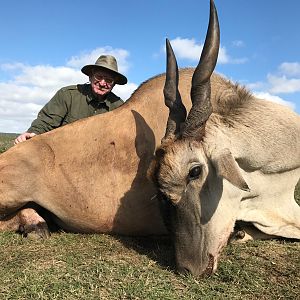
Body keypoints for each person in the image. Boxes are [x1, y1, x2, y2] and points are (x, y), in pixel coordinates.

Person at [14, 55, 127, 144]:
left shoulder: (120, 107)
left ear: (114, 84)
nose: (102, 83)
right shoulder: (67, 95)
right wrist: (32, 133)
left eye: (108, 80)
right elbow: (46, 122)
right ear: (90, 76)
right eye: (99, 77)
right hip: (62, 157)